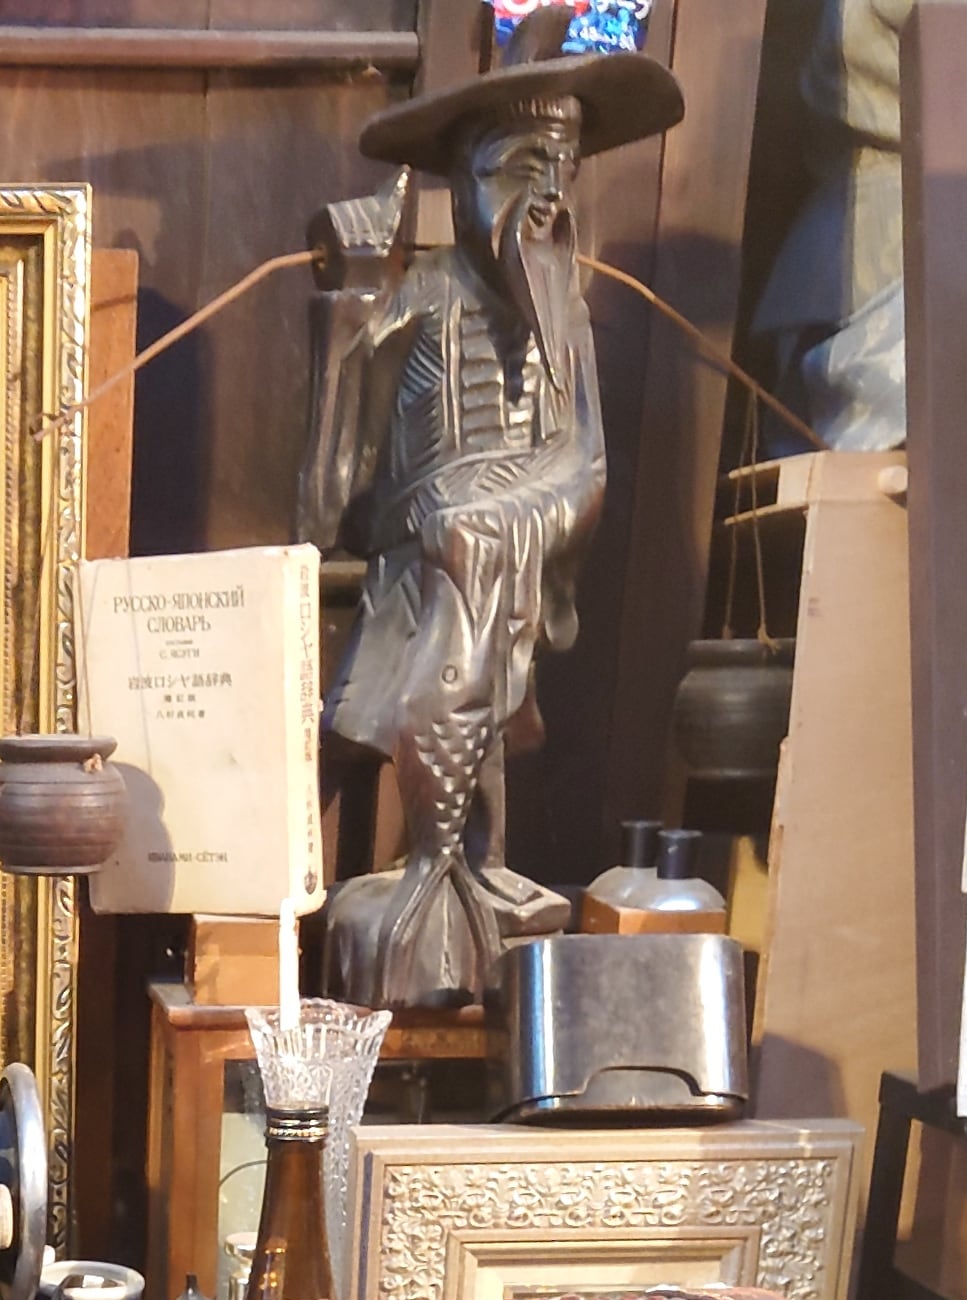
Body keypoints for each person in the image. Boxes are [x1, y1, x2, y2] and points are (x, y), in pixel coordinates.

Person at [304, 17, 680, 1010]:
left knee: (482, 593)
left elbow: (587, 462)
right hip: (421, 575)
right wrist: (349, 306)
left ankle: (471, 874)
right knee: (455, 611)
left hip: (502, 563)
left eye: (563, 171)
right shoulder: (421, 299)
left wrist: (504, 513)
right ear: (464, 182)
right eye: (521, 169)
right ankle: (432, 880)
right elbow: (331, 502)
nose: (548, 196)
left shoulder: (568, 320)